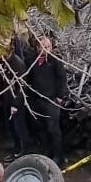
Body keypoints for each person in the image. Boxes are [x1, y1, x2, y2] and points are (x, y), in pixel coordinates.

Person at [25, 33, 69, 162]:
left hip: (51, 100)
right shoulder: (31, 60)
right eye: (43, 46)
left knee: (53, 129)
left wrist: (60, 96)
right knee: (39, 127)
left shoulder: (55, 61)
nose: (45, 49)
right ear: (37, 47)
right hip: (35, 99)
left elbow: (62, 79)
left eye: (48, 46)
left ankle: (58, 156)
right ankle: (46, 151)